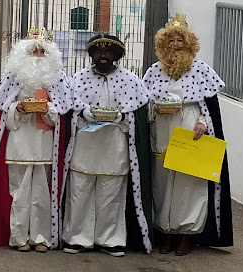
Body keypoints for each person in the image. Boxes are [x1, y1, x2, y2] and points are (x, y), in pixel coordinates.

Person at [143, 14, 233, 256]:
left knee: (188, 186)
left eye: (179, 40)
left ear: (188, 42)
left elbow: (209, 107)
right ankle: (166, 233)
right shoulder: (153, 71)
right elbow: (146, 104)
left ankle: (187, 235)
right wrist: (156, 107)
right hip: (162, 132)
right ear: (163, 44)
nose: (175, 44)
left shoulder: (202, 70)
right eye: (170, 40)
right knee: (162, 185)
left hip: (190, 130)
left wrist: (203, 123)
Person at [0, 27, 73, 252]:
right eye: (34, 52)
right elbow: (6, 112)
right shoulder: (14, 77)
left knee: (41, 192)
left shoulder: (57, 79)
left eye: (42, 52)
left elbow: (61, 113)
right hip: (19, 144)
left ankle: (40, 238)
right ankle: (19, 237)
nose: (38, 56)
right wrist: (18, 108)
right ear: (24, 55)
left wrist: (47, 108)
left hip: (43, 144)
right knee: (19, 193)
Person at [62, 34, 152, 257]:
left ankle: (110, 239)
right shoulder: (77, 79)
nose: (103, 56)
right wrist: (83, 112)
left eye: (108, 52)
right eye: (99, 52)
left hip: (114, 147)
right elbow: (68, 110)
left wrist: (121, 117)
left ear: (116, 56)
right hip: (85, 146)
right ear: (91, 54)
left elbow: (140, 116)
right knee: (79, 192)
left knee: (111, 194)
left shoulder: (131, 80)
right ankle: (77, 238)